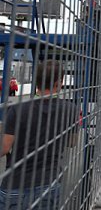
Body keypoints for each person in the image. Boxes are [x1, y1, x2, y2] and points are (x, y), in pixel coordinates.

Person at [0, 60, 80, 209]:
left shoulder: (18, 109)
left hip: (15, 182)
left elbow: (4, 148)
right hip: (49, 181)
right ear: (59, 82)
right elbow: (72, 142)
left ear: (36, 80)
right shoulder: (71, 110)